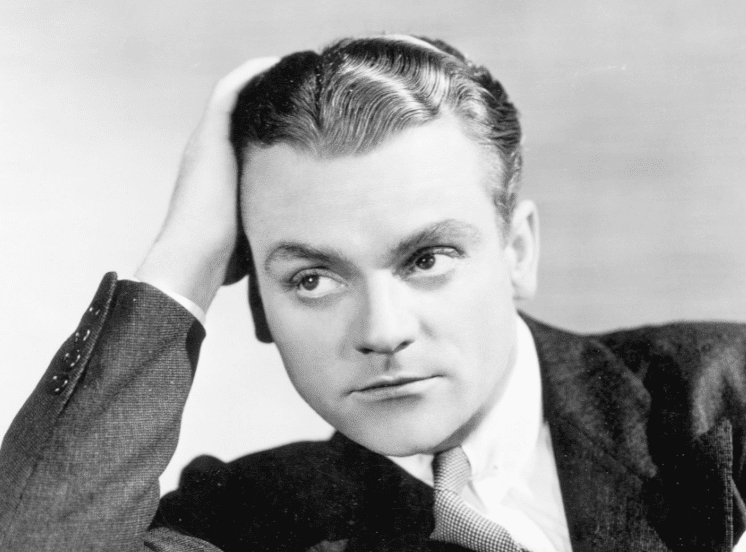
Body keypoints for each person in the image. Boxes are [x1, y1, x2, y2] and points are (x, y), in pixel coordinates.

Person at [1, 35, 745, 552]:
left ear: (516, 252)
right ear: (258, 306)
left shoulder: (725, 399)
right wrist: (183, 263)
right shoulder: (241, 523)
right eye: (313, 279)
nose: (382, 331)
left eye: (427, 259)